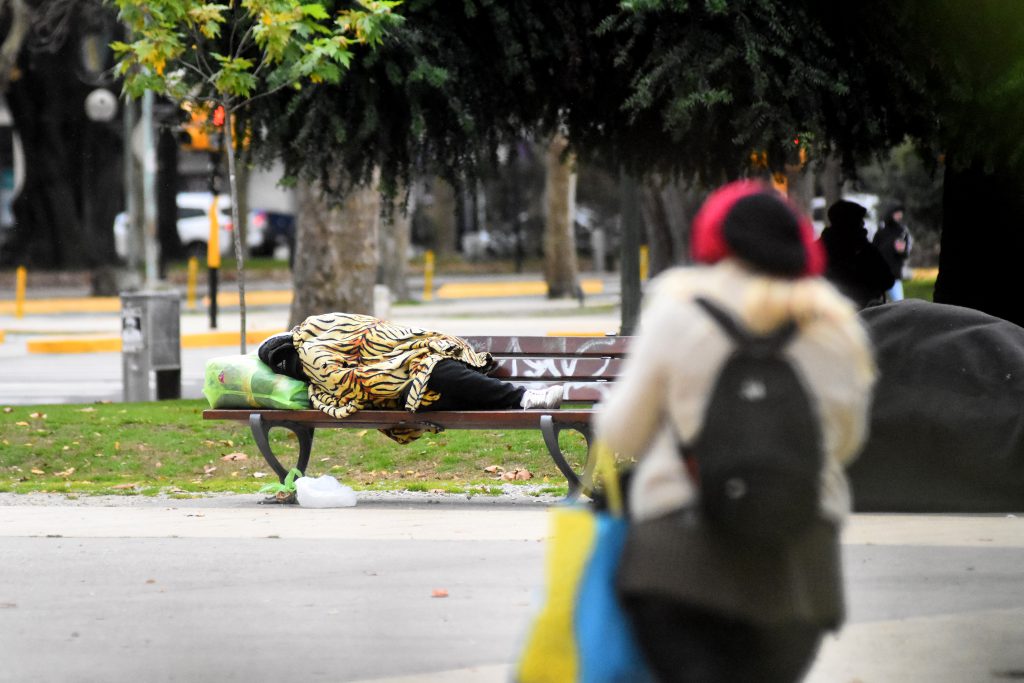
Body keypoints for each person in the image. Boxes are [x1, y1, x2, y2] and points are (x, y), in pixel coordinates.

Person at [594, 180, 877, 682]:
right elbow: (848, 442)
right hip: (800, 568)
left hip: (678, 563)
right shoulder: (837, 325)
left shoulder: (679, 308)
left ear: (711, 240)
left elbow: (620, 434)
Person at [258, 313, 562, 441]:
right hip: (409, 388)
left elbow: (373, 331)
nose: (294, 368)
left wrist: (402, 358)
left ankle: (524, 399)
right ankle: (525, 398)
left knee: (438, 371)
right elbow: (344, 381)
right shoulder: (311, 361)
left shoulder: (317, 332)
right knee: (438, 374)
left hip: (418, 367)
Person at [818, 199, 894, 308]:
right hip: (861, 313)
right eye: (860, 220)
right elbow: (887, 279)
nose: (863, 224)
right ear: (852, 223)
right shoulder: (863, 249)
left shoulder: (818, 248)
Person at [872, 204, 913, 301]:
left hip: (894, 275)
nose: (899, 216)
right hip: (879, 273)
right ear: (890, 214)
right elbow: (873, 251)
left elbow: (905, 254)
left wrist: (901, 251)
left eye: (900, 213)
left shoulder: (902, 232)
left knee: (898, 302)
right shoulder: (880, 233)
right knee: (875, 303)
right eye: (897, 213)